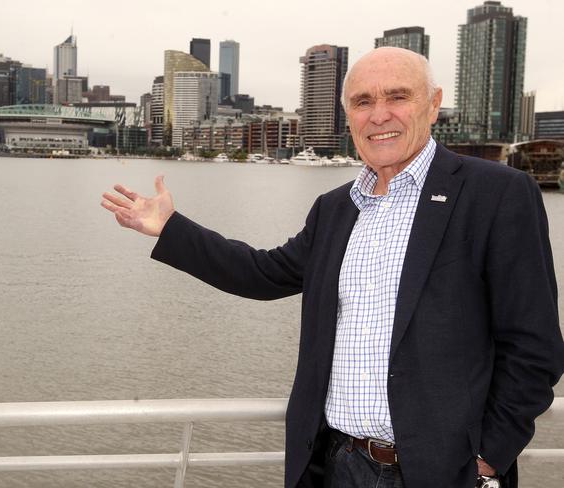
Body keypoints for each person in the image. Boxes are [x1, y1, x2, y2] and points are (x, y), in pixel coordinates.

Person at [101, 47, 563, 488]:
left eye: (397, 96)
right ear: (349, 117)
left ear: (434, 104)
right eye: (363, 102)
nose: (379, 115)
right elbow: (262, 273)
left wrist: (487, 456)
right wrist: (169, 228)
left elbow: (534, 348)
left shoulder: (497, 194)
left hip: (446, 472)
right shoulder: (335, 209)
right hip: (337, 465)